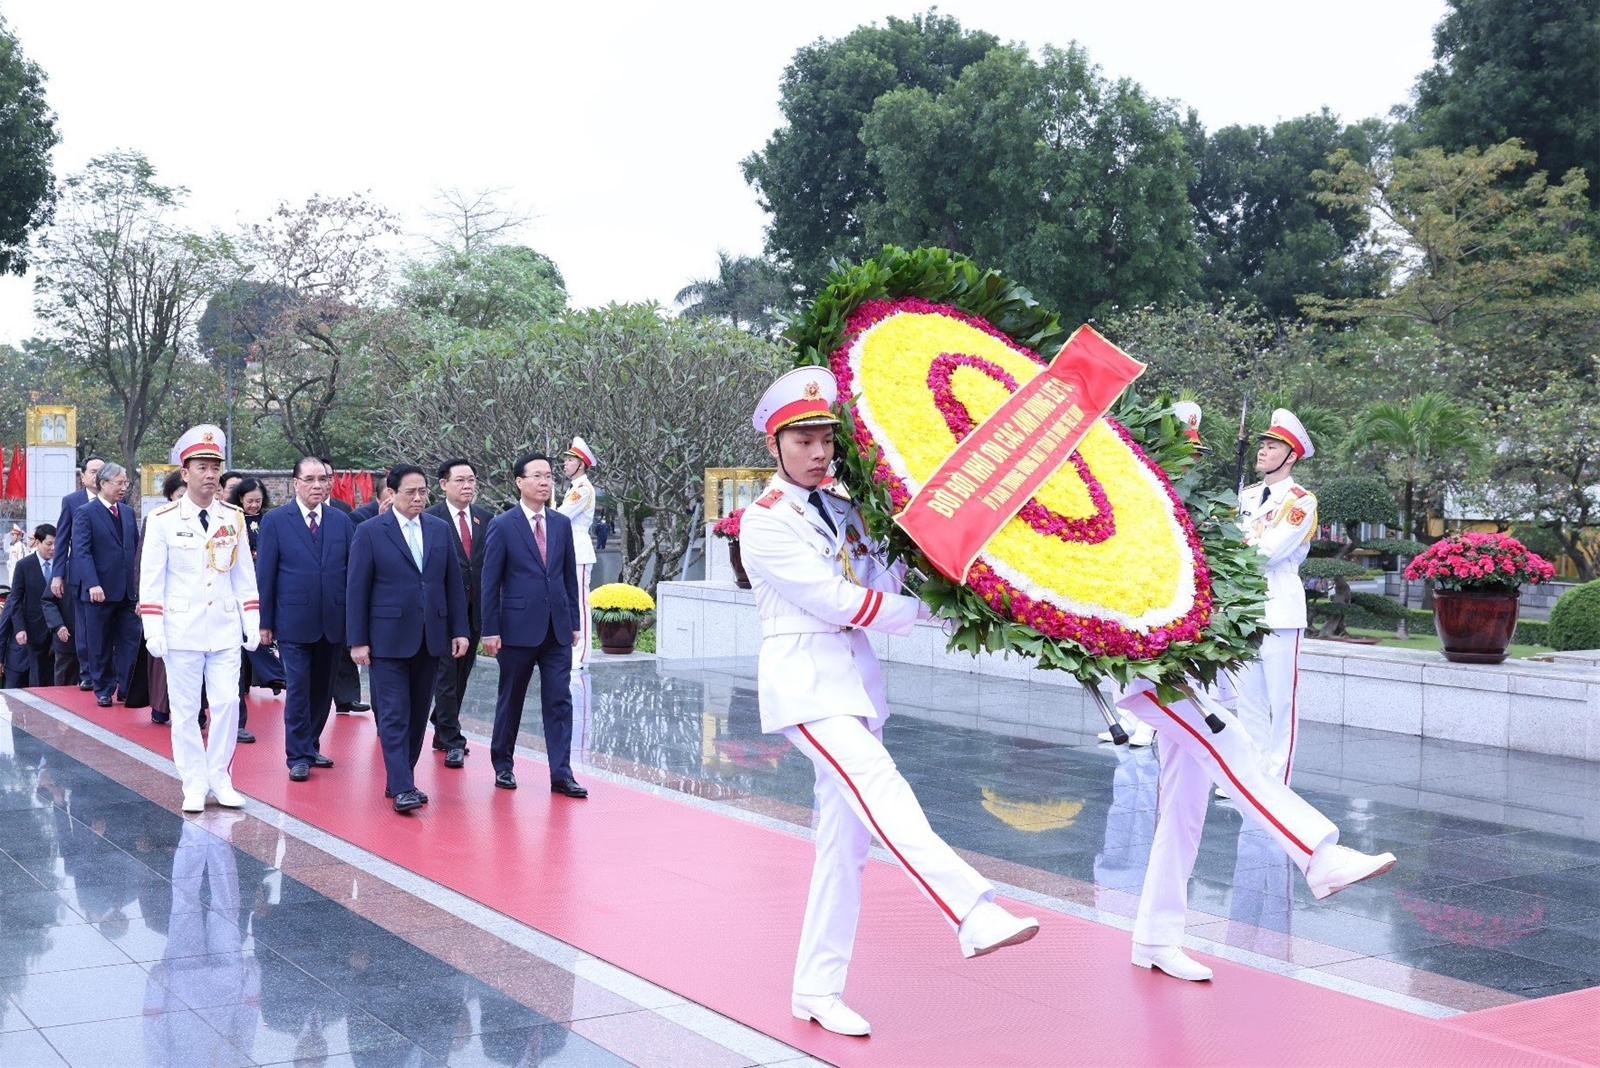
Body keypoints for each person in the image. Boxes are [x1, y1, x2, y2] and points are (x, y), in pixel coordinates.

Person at [739, 367, 1038, 1038]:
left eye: (826, 439)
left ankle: (816, 988)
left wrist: (915, 546)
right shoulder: (763, 523)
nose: (819, 452)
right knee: (881, 787)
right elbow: (837, 602)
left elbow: (875, 575)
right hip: (808, 687)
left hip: (856, 688)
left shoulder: (844, 509)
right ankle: (971, 909)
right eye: (805, 439)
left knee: (841, 847)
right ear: (775, 444)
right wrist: (916, 614)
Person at [1117, 679, 1397, 981]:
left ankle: (1155, 938)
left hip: (1177, 670)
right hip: (1147, 671)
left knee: (1182, 808)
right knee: (1229, 740)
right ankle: (1318, 856)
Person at [139, 424, 261, 813]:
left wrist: (252, 619)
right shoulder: (163, 519)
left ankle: (220, 777)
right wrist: (152, 629)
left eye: (215, 467)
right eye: (202, 466)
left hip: (224, 629)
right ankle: (193, 781)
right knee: (186, 710)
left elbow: (244, 575)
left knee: (227, 704)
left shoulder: (233, 517)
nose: (210, 475)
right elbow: (152, 579)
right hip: (181, 629)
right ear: (185, 471)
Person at [346, 464, 468, 813]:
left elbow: (452, 584)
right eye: (410, 492)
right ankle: (403, 786)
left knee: (417, 714)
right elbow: (357, 589)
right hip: (386, 639)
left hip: (431, 636)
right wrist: (357, 640)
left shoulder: (440, 529)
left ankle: (401, 778)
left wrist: (458, 630)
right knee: (395, 714)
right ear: (392, 494)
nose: (418, 498)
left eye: (422, 491)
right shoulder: (371, 531)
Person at [480, 452, 585, 797]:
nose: (544, 482)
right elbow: (490, 581)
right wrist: (490, 630)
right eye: (537, 476)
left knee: (560, 700)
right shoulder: (502, 525)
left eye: (549, 476)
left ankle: (561, 773)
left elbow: (568, 576)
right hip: (516, 629)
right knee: (511, 699)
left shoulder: (560, 523)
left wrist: (573, 621)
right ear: (519, 482)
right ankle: (504, 765)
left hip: (556, 629)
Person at [1231, 408, 1318, 786]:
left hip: (1280, 607)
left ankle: (1277, 779)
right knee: (1247, 699)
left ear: (1291, 456)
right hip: (1245, 607)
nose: (1262, 452)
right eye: (1263, 445)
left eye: (1272, 446)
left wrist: (1238, 545)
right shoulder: (1247, 495)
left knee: (1282, 702)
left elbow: (1271, 552)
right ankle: (1253, 776)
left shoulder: (1301, 501)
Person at [257, 457, 353, 783]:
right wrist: (265, 622)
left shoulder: (342, 521)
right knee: (298, 688)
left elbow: (351, 574)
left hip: (333, 620)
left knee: (322, 690)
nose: (317, 485)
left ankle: (311, 745)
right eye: (310, 479)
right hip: (293, 620)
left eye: (323, 479)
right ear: (295, 483)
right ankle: (296, 755)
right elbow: (266, 574)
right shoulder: (276, 520)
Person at [426, 458, 491, 769]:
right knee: (446, 673)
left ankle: (441, 722)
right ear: (443, 485)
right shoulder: (429, 519)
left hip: (475, 609)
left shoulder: (485, 519)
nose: (468, 486)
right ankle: (452, 738)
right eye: (461, 481)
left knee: (463, 672)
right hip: (443, 611)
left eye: (472, 480)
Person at [73, 462, 141, 707]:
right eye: (119, 483)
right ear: (103, 483)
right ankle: (103, 688)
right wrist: (92, 583)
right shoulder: (85, 512)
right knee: (99, 643)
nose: (123, 487)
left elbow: (136, 550)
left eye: (125, 483)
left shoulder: (127, 512)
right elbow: (81, 552)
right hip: (98, 591)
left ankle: (126, 687)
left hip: (127, 592)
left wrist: (139, 586)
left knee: (130, 642)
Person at [227, 476, 282, 740]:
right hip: (233, 595)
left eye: (258, 501)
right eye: (249, 501)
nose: (253, 506)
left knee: (261, 637)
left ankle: (275, 675)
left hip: (264, 590)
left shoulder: (270, 521)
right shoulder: (230, 520)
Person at [52, 454, 104, 688]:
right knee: (83, 627)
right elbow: (62, 539)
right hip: (80, 574)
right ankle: (87, 673)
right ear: (82, 477)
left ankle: (105, 673)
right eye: (92, 471)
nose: (97, 476)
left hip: (107, 573)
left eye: (101, 471)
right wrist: (57, 574)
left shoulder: (117, 500)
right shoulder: (72, 501)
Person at [557, 437, 598, 672]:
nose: (565, 464)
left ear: (581, 464)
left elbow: (563, 515)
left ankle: (580, 654)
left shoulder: (583, 489)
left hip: (579, 550)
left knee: (580, 603)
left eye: (570, 460)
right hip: (570, 548)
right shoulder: (575, 487)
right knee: (572, 602)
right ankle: (574, 651)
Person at [6, 524, 61, 687]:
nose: (53, 548)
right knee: (36, 678)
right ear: (37, 542)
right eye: (49, 544)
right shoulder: (24, 565)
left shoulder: (61, 564)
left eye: (56, 544)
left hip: (58, 630)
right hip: (34, 629)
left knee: (56, 679)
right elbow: (15, 599)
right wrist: (19, 628)